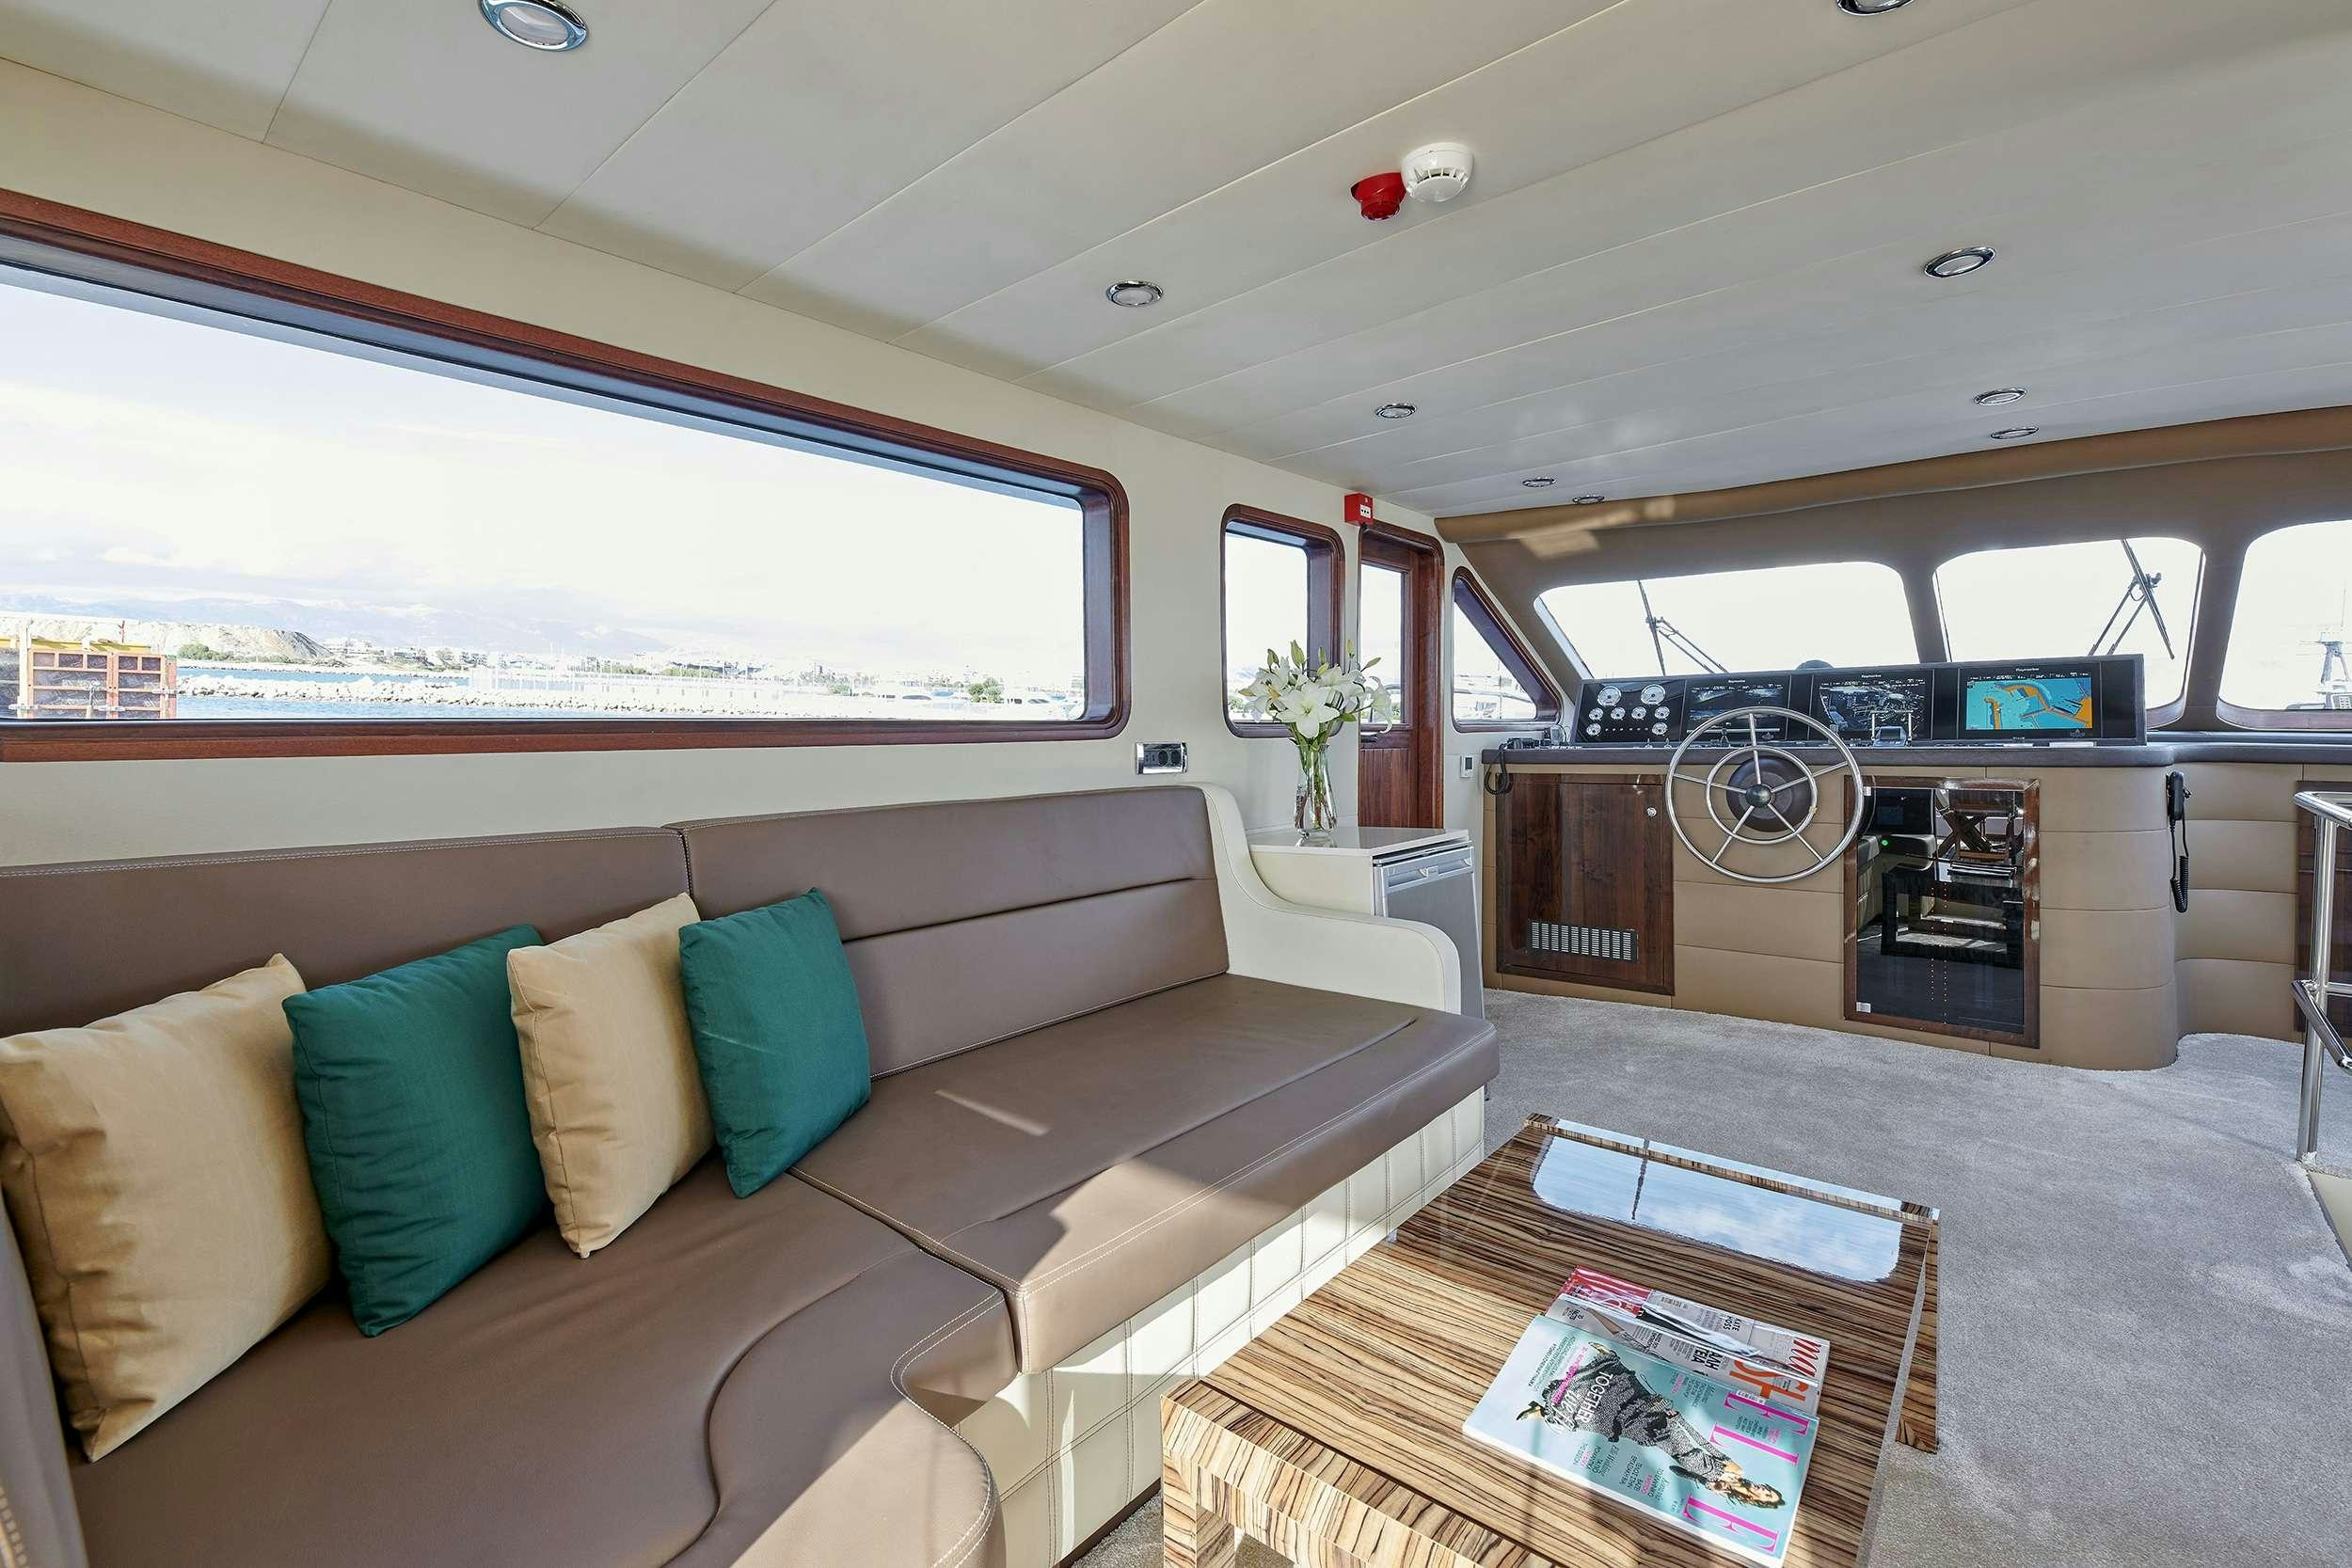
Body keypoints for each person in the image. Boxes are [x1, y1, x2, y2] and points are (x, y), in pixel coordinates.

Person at [1519, 1346, 1788, 1510]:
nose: (1764, 1491)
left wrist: (1705, 1482)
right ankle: (1606, 1362)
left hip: (1666, 1445)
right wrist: (1679, 1419)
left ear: (1759, 1501)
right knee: (1630, 1398)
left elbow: (1678, 1470)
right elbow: (1705, 1445)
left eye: (1767, 1496)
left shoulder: (1726, 1492)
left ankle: (1547, 1412)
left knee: (1606, 1422)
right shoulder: (1737, 1472)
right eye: (1769, 1490)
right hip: (1673, 1432)